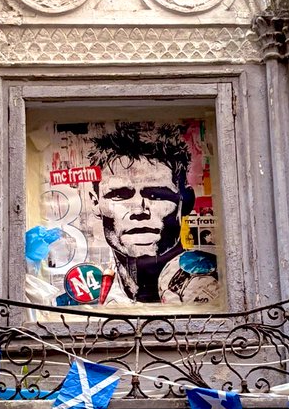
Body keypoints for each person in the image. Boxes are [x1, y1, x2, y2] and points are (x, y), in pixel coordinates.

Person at [86, 123, 219, 305]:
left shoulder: (213, 284)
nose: (139, 210)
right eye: (119, 195)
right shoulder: (89, 288)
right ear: (95, 203)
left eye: (157, 195)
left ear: (186, 201)